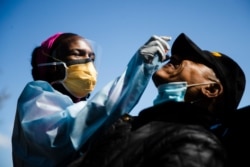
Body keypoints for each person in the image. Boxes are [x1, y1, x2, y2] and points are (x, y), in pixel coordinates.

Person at [68, 33, 246, 167]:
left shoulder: (198, 144)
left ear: (211, 89)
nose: (176, 57)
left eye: (195, 60)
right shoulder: (125, 125)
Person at [11, 32, 172, 167]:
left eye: (92, 58)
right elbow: (70, 131)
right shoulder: (36, 98)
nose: (88, 63)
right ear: (52, 65)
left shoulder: (76, 107)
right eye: (77, 53)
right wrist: (139, 68)